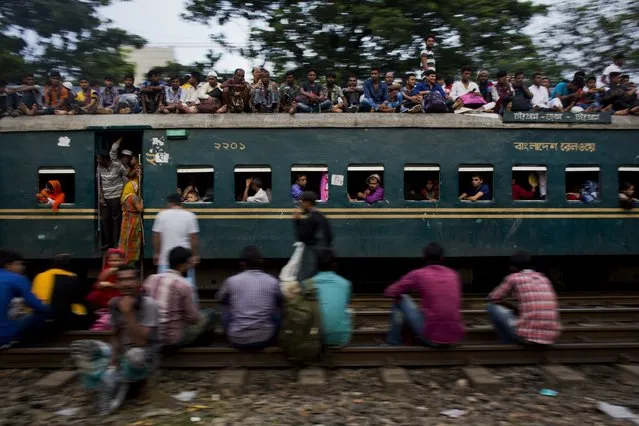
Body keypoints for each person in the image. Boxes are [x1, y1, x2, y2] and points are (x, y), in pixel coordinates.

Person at [71, 265, 159, 415]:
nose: (125, 284)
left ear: (139, 282)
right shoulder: (114, 303)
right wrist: (113, 361)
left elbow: (141, 342)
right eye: (121, 280)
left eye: (130, 279)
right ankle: (104, 385)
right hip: (122, 352)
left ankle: (138, 386)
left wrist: (128, 312)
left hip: (144, 353)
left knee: (134, 355)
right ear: (117, 283)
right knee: (81, 347)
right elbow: (115, 334)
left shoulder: (148, 304)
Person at [384, 243, 464, 346]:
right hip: (455, 338)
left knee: (401, 298)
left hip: (431, 338)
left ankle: (394, 342)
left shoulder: (418, 274)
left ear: (424, 257)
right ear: (442, 258)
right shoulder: (453, 274)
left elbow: (390, 292)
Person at [144, 247, 216, 349]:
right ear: (182, 266)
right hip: (172, 340)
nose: (190, 267)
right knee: (210, 313)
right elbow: (193, 318)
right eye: (189, 264)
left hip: (151, 336)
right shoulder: (183, 284)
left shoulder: (151, 279)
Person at [487, 251, 560, 345]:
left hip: (527, 337)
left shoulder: (513, 277)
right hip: (550, 338)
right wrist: (517, 309)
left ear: (513, 267)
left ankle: (506, 343)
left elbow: (493, 297)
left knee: (492, 306)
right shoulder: (544, 278)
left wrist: (510, 307)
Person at [216, 246, 281, 350]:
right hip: (264, 339)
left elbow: (220, 299)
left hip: (236, 339)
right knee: (277, 309)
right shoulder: (272, 281)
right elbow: (281, 302)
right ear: (261, 262)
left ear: (242, 263)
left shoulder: (231, 281)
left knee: (225, 307)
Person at [152, 194, 200, 302]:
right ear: (181, 203)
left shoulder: (161, 215)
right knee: (188, 290)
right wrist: (194, 255)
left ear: (170, 203)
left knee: (164, 291)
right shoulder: (190, 215)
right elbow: (193, 238)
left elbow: (156, 236)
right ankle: (190, 313)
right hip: (185, 261)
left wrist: (157, 253)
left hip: (165, 259)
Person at [0, 250, 50, 348]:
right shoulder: (17, 278)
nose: (22, 267)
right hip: (3, 335)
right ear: (7, 265)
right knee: (45, 311)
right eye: (19, 264)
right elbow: (39, 306)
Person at [32, 254, 91, 331]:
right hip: (68, 320)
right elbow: (83, 297)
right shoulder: (73, 277)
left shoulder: (40, 276)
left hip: (42, 318)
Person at [311, 248, 352, 347]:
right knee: (349, 311)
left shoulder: (307, 284)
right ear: (335, 265)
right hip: (340, 338)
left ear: (316, 265)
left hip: (313, 338)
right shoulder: (345, 283)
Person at [294, 191, 333, 281]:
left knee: (307, 282)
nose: (301, 205)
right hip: (323, 256)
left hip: (313, 257)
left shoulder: (311, 218)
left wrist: (297, 221)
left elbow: (302, 237)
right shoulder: (321, 217)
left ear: (308, 203)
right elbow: (329, 237)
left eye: (302, 202)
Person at [97, 149, 127, 249]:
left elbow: (126, 175)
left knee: (116, 221)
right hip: (105, 198)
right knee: (105, 220)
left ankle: (116, 243)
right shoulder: (99, 168)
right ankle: (108, 243)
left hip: (116, 197)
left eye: (99, 159)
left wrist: (124, 193)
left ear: (105, 159)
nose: (98, 161)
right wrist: (101, 197)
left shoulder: (117, 165)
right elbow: (99, 183)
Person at [87, 249, 125, 314]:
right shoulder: (107, 270)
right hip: (106, 294)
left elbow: (124, 286)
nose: (114, 263)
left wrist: (109, 284)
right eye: (111, 261)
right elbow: (96, 285)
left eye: (117, 261)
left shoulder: (124, 271)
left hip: (119, 294)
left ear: (123, 261)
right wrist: (106, 274)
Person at [118, 173, 143, 265]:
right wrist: (142, 202)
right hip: (133, 220)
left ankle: (123, 257)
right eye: (135, 186)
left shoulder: (124, 197)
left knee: (125, 239)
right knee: (133, 239)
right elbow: (140, 209)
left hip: (125, 220)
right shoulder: (133, 197)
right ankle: (131, 259)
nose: (136, 188)